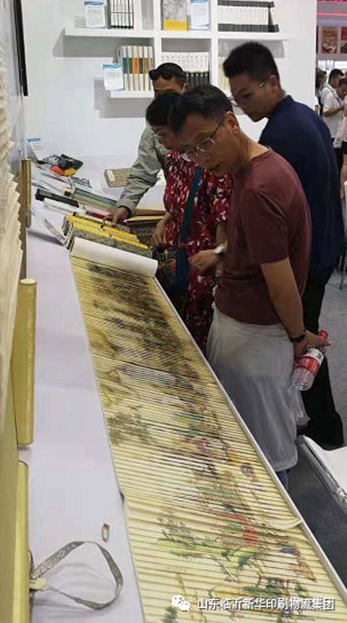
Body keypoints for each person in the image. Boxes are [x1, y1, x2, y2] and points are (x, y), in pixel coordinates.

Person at [169, 86, 329, 487]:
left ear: (230, 122)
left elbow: (282, 284)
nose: (202, 158)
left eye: (206, 143)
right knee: (248, 444)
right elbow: (252, 248)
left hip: (258, 338)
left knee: (266, 459)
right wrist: (223, 254)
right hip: (245, 329)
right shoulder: (254, 168)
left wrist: (298, 337)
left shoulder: (259, 187)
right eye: (191, 152)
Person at [222, 42, 344, 447]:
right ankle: (323, 427)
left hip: (306, 261)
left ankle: (324, 432)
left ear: (271, 83)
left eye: (247, 96)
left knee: (302, 343)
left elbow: (278, 216)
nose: (243, 108)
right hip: (325, 248)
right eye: (237, 100)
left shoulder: (280, 135)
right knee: (306, 339)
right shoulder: (305, 116)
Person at [146, 91, 231, 351]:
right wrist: (164, 221)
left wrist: (219, 256)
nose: (161, 142)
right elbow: (180, 202)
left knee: (197, 347)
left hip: (203, 269)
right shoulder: (174, 160)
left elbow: (224, 220)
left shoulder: (209, 162)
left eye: (163, 134)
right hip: (180, 262)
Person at [110, 63, 186, 225]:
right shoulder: (153, 129)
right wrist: (126, 205)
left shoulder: (201, 123)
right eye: (158, 94)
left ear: (185, 89)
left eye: (169, 94)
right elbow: (143, 173)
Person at [321, 68, 344, 171]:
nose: (344, 93)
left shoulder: (345, 98)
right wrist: (341, 107)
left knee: (340, 161)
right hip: (331, 133)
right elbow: (326, 112)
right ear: (338, 87)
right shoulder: (330, 96)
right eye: (343, 90)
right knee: (332, 160)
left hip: (340, 134)